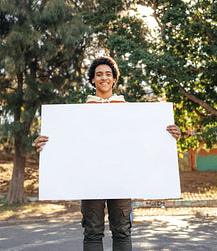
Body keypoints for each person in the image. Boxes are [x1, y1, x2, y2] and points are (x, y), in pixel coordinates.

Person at [34, 56, 180, 251]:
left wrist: (169, 135)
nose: (104, 77)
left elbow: (146, 138)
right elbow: (66, 141)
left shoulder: (129, 110)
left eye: (108, 74)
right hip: (90, 179)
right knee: (92, 232)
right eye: (99, 74)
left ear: (114, 79)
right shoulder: (79, 112)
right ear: (93, 80)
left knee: (122, 231)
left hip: (121, 179)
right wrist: (44, 143)